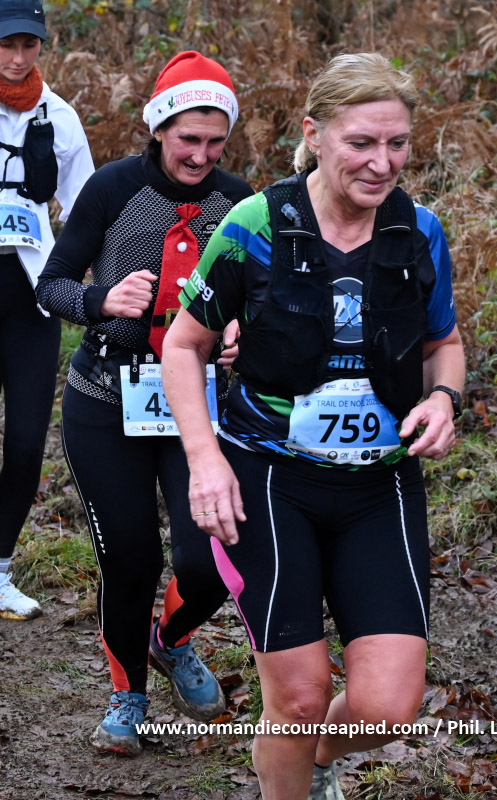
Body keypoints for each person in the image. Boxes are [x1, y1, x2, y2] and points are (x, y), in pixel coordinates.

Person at [161, 52, 465, 800]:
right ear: (314, 134)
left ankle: (311, 758)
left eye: (397, 143)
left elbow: (444, 343)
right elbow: (184, 345)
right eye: (362, 142)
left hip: (379, 484)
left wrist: (443, 398)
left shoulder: (418, 232)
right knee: (296, 699)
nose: (382, 163)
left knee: (388, 707)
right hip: (268, 478)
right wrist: (204, 460)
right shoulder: (257, 225)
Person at [36, 50, 254, 756]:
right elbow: (51, 284)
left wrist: (241, 336)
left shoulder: (240, 203)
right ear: (158, 129)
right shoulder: (112, 188)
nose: (201, 155)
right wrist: (101, 299)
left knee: (211, 559)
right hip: (107, 399)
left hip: (200, 407)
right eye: (188, 138)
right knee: (129, 559)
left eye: (215, 141)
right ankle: (127, 696)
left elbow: (262, 301)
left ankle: (172, 639)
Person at [0, 0, 94, 620]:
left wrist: (100, 282)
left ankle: (0, 568)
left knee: (28, 440)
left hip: (30, 294)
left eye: (29, 45)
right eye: (7, 45)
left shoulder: (58, 116)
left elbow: (86, 207)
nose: (17, 57)